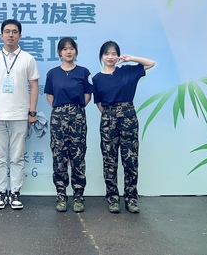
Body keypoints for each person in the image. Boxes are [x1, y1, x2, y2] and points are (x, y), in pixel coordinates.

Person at [0, 19, 40, 210]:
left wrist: (32, 112)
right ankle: (0, 192)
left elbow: (34, 86)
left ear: (20, 36)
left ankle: (15, 193)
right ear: (1, 35)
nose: (10, 35)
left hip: (19, 115)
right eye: (7, 31)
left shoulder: (28, 59)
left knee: (17, 157)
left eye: (14, 32)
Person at [91, 40, 155, 214]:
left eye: (114, 53)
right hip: (108, 119)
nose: (110, 57)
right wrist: (110, 115)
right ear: (101, 56)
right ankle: (112, 199)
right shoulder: (97, 79)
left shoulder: (127, 71)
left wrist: (131, 58)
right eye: (106, 53)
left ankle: (131, 199)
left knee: (130, 160)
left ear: (118, 56)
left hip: (128, 118)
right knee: (109, 161)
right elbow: (99, 104)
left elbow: (150, 63)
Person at [44, 37, 92, 213]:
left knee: (78, 157)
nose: (68, 51)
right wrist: (61, 109)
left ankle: (78, 196)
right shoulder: (52, 73)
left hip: (78, 116)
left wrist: (75, 109)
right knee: (59, 157)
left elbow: (87, 95)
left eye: (71, 48)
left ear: (76, 51)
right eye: (64, 49)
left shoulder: (83, 72)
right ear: (59, 53)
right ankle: (61, 196)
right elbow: (50, 96)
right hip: (58, 118)